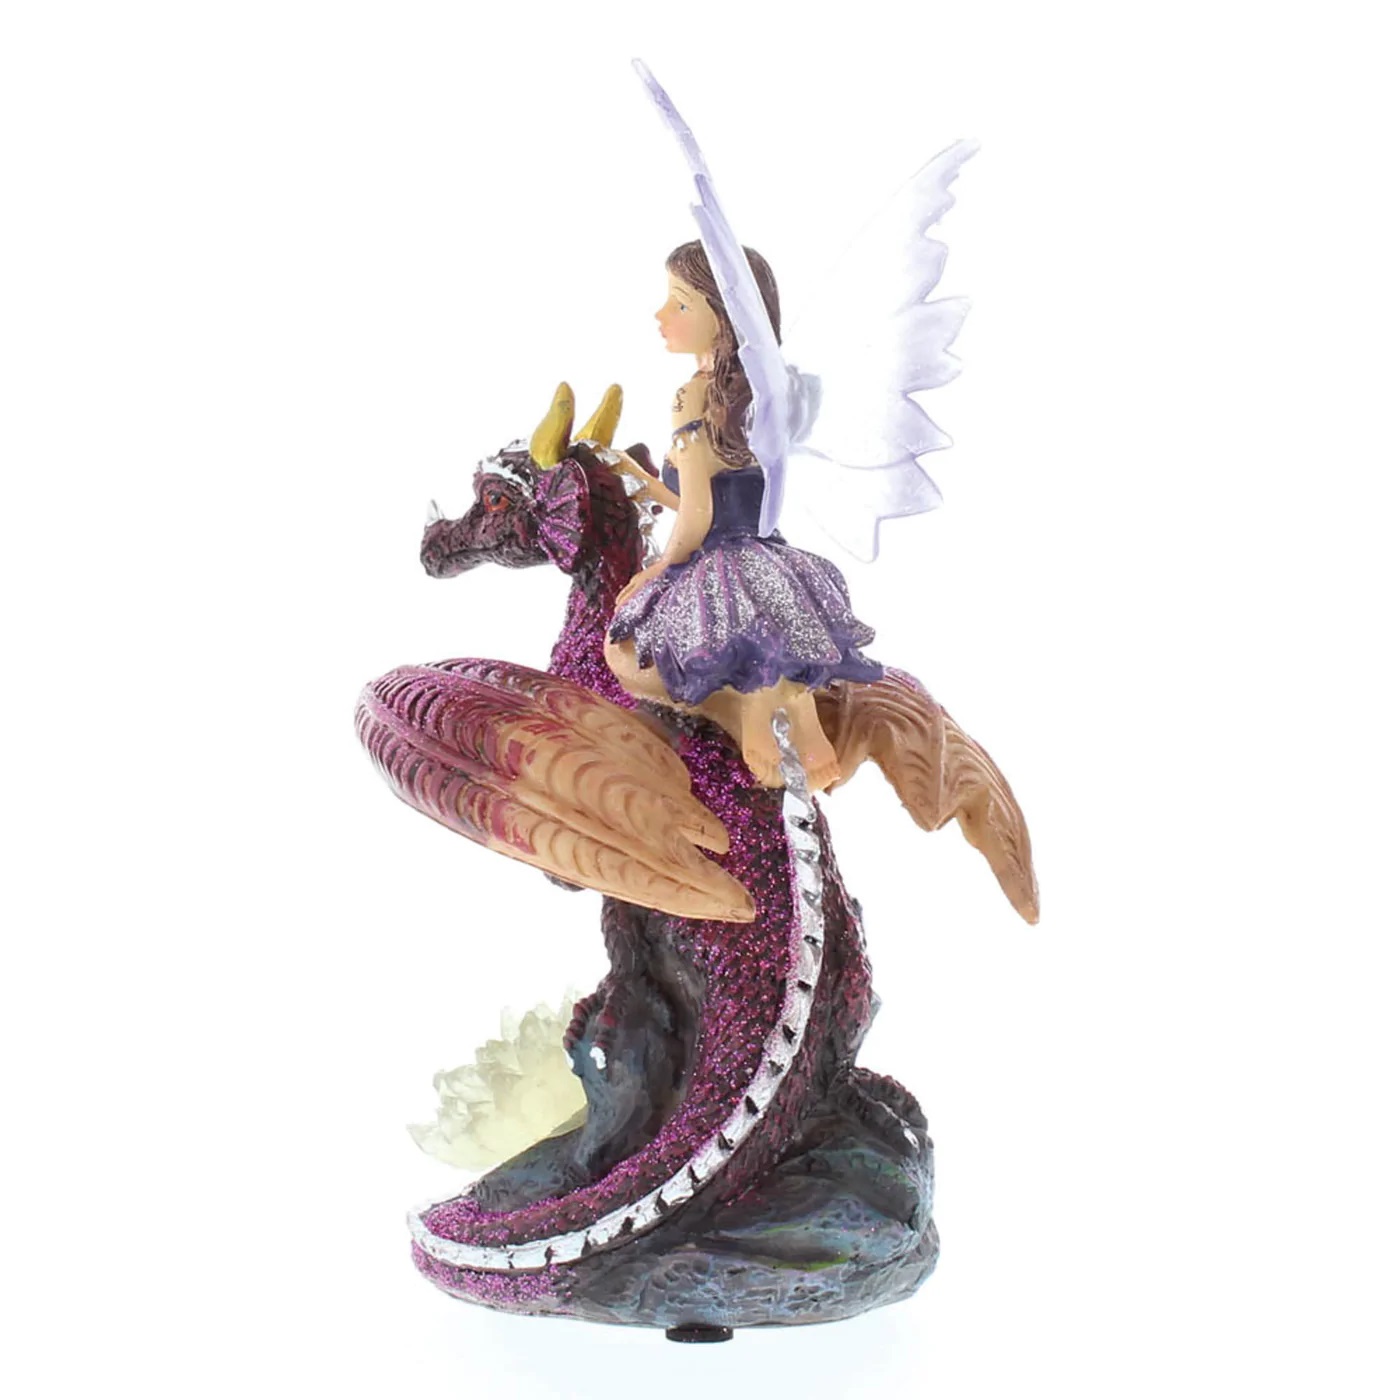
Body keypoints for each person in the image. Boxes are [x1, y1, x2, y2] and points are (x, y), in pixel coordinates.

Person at [604, 241, 883, 791]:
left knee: (633, 640)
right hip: (769, 552)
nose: (661, 315)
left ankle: (757, 713)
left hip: (719, 559)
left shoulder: (691, 397)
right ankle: (800, 711)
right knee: (776, 626)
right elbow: (723, 496)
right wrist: (645, 483)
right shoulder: (766, 393)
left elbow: (699, 515)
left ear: (724, 317)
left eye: (680, 304)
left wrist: (658, 568)